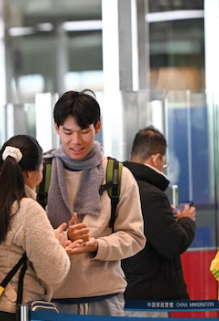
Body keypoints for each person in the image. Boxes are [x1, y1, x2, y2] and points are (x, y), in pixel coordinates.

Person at [44, 90, 146, 316]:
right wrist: (59, 237)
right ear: (56, 128)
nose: (76, 141)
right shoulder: (40, 174)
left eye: (84, 131)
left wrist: (96, 245)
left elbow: (135, 237)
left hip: (105, 298)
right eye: (67, 132)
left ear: (97, 126)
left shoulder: (119, 176)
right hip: (50, 300)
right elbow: (21, 236)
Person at [0, 135, 75, 321]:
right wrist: (58, 244)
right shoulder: (27, 210)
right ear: (31, 174)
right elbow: (54, 271)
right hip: (11, 312)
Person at [121, 127, 196, 317]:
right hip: (147, 301)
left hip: (125, 292)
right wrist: (186, 221)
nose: (163, 168)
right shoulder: (150, 194)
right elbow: (173, 243)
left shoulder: (121, 187)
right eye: (164, 162)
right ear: (156, 159)